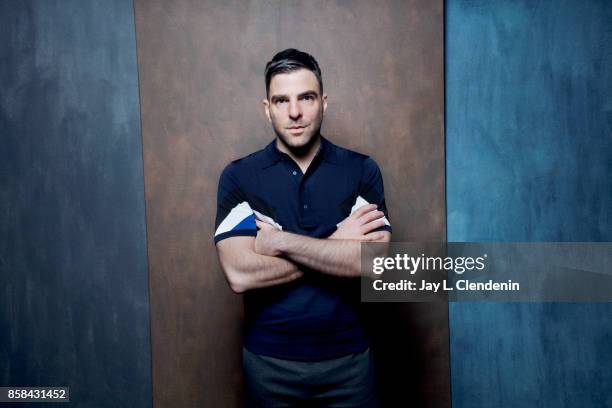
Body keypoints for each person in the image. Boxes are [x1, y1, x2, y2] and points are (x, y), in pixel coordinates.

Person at [214, 48, 392, 407]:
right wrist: (336, 242)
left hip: (350, 363)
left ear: (324, 102)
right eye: (281, 100)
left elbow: (373, 263)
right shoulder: (239, 177)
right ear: (267, 108)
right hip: (269, 364)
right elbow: (239, 274)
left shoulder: (361, 171)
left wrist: (279, 241)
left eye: (306, 98)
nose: (294, 112)